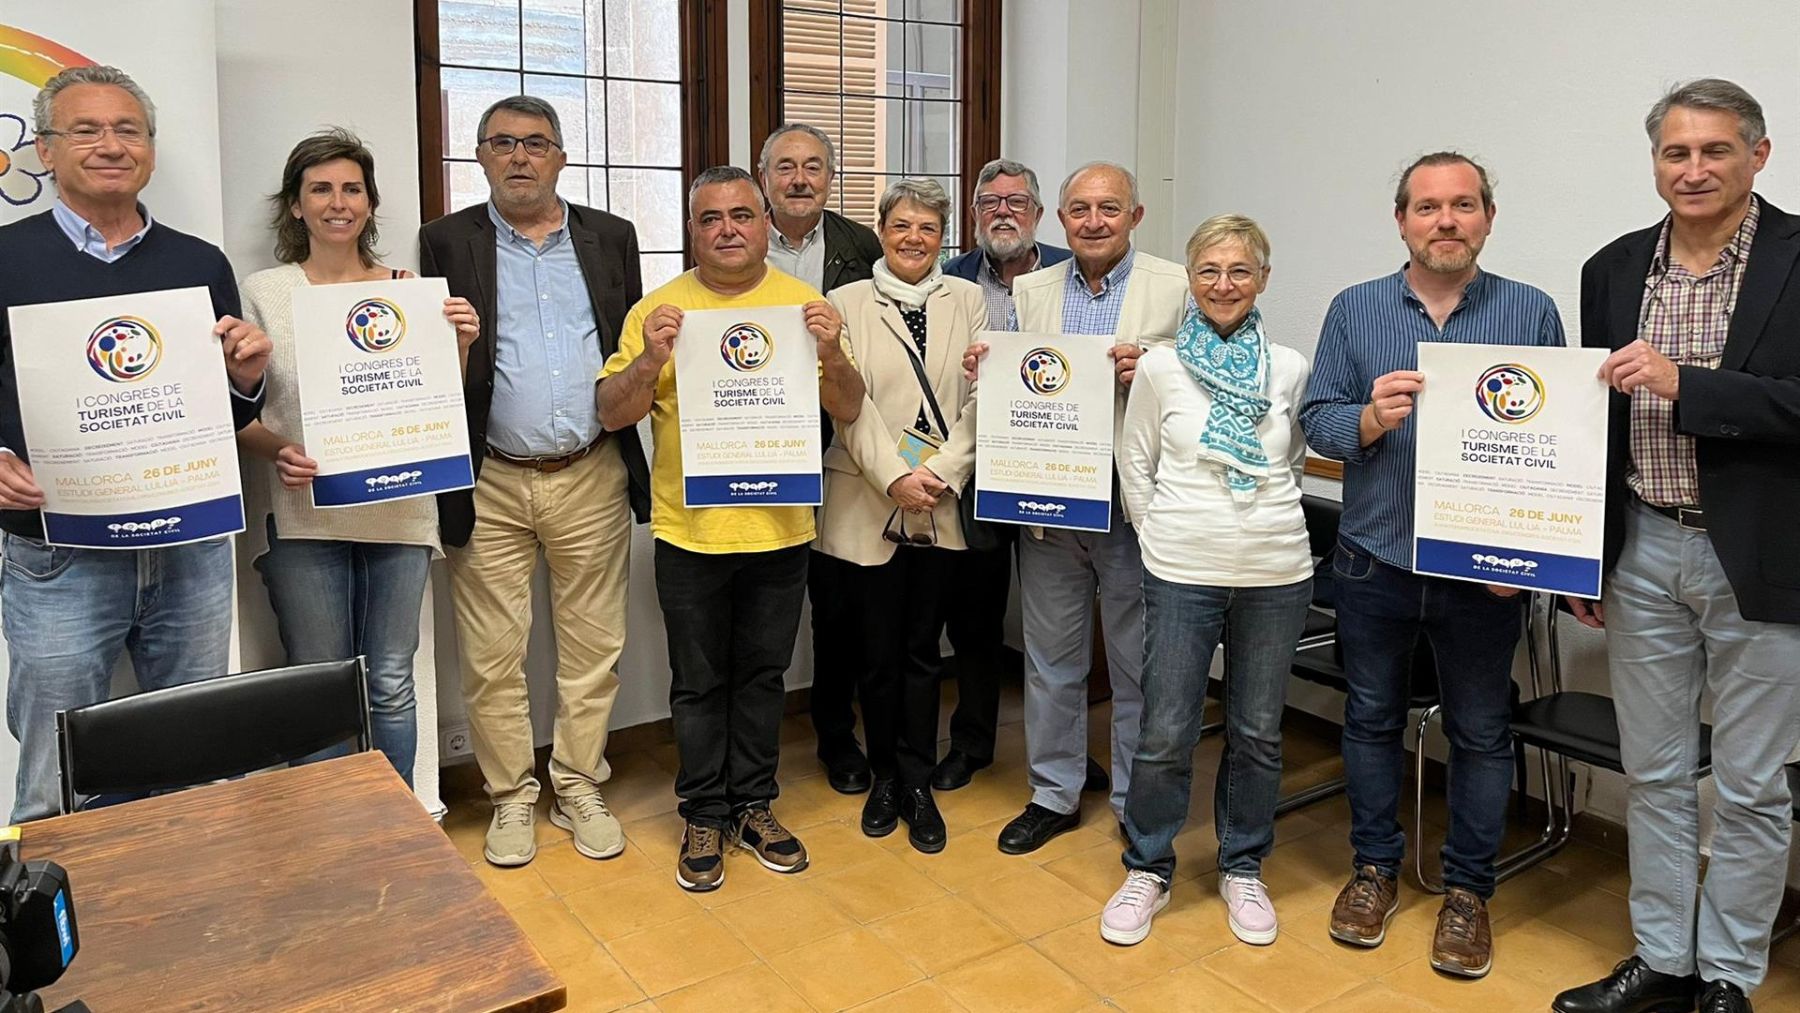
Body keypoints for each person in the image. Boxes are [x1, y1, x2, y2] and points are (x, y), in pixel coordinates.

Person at [1552, 79, 1800, 1013]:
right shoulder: (1612, 267)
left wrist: (1685, 384)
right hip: (1644, 548)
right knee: (1652, 773)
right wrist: (1585, 554)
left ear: (1759, 156)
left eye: (1715, 151)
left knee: (1749, 785)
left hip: (1766, 560)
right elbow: (1594, 429)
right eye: (1675, 153)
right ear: (1655, 161)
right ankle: (1662, 958)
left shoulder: (1797, 254)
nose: (1693, 170)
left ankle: (1729, 974)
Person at [1300, 151, 1565, 979]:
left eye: (1462, 206)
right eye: (1427, 207)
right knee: (1372, 718)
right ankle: (1373, 869)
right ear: (1401, 219)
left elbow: (1553, 446)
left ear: (1488, 216)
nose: (1444, 221)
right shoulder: (1355, 308)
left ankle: (1467, 894)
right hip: (1375, 556)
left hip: (1485, 570)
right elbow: (1318, 420)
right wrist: (1369, 420)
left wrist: (1528, 555)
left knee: (1483, 734)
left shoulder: (1531, 311)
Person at [0, 65, 271, 822]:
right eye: (86, 130)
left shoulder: (199, 263)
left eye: (129, 130)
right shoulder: (5, 256)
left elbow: (215, 405)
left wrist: (247, 378)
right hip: (58, 551)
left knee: (193, 751)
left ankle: (186, 920)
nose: (111, 145)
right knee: (57, 763)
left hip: (189, 546)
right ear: (46, 151)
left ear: (150, 149)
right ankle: (46, 929)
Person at [597, 165, 866, 892]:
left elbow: (847, 406)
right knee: (697, 682)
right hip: (690, 534)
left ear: (764, 223)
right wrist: (653, 358)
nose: (727, 229)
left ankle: (754, 805)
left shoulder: (804, 305)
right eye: (711, 217)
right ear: (693, 230)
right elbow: (611, 413)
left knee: (763, 677)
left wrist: (833, 352)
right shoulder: (658, 310)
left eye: (741, 215)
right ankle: (703, 811)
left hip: (780, 531)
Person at [419, 95, 649, 867]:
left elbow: (631, 349)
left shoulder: (611, 237)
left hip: (591, 470)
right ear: (480, 155)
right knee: (492, 656)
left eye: (536, 143)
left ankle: (580, 782)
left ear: (560, 156)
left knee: (594, 647)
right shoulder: (445, 239)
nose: (520, 156)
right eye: (503, 143)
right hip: (489, 476)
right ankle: (511, 797)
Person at [237, 129, 480, 787]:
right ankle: (325, 835)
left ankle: (393, 826)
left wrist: (459, 342)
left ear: (370, 204)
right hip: (304, 512)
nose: (337, 202)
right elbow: (240, 412)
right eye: (320, 189)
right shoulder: (265, 291)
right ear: (295, 205)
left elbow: (438, 402)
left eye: (351, 188)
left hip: (399, 511)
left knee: (391, 679)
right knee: (319, 681)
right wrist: (280, 449)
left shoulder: (409, 290)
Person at [962, 161, 1189, 855]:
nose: (1094, 221)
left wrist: (1151, 366)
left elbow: (1205, 378)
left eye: (1109, 208)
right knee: (1052, 662)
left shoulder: (1175, 286)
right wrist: (986, 369)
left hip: (1129, 508)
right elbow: (1018, 381)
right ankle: (1054, 791)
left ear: (1135, 216)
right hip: (1048, 502)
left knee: (1133, 668)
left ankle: (1130, 799)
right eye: (1081, 209)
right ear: (1060, 219)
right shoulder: (1028, 291)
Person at [1102, 214, 1312, 947]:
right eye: (1209, 271)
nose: (1224, 285)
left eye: (1240, 271)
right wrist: (1159, 536)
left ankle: (1243, 863)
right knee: (1165, 731)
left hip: (1276, 571)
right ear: (1190, 280)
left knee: (1257, 731)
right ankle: (1149, 864)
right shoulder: (1160, 366)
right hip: (1180, 569)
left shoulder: (1288, 365)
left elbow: (1289, 464)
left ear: (1263, 279)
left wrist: (1253, 521)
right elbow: (1137, 459)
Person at [816, 178, 987, 853]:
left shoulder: (968, 299)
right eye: (901, 224)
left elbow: (984, 396)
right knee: (876, 653)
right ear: (880, 230)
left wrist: (940, 473)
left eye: (927, 227)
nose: (914, 238)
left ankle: (917, 781)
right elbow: (844, 403)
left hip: (940, 500)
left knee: (923, 652)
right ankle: (884, 774)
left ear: (942, 236)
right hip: (868, 500)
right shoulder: (845, 302)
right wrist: (894, 476)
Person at [932, 157, 1072, 792]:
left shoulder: (1075, 273)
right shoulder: (950, 278)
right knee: (976, 618)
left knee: (1060, 626)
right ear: (974, 215)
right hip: (979, 470)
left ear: (1039, 215)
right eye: (990, 203)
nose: (1003, 213)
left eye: (1017, 202)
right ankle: (974, 743)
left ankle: (1066, 753)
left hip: (1056, 471)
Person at [759, 122, 883, 794]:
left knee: (839, 609)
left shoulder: (861, 247)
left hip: (840, 451)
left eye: (812, 167)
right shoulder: (738, 241)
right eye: (785, 167)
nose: (799, 179)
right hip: (758, 450)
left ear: (830, 178)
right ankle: (754, 752)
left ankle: (838, 738)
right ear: (764, 178)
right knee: (766, 610)